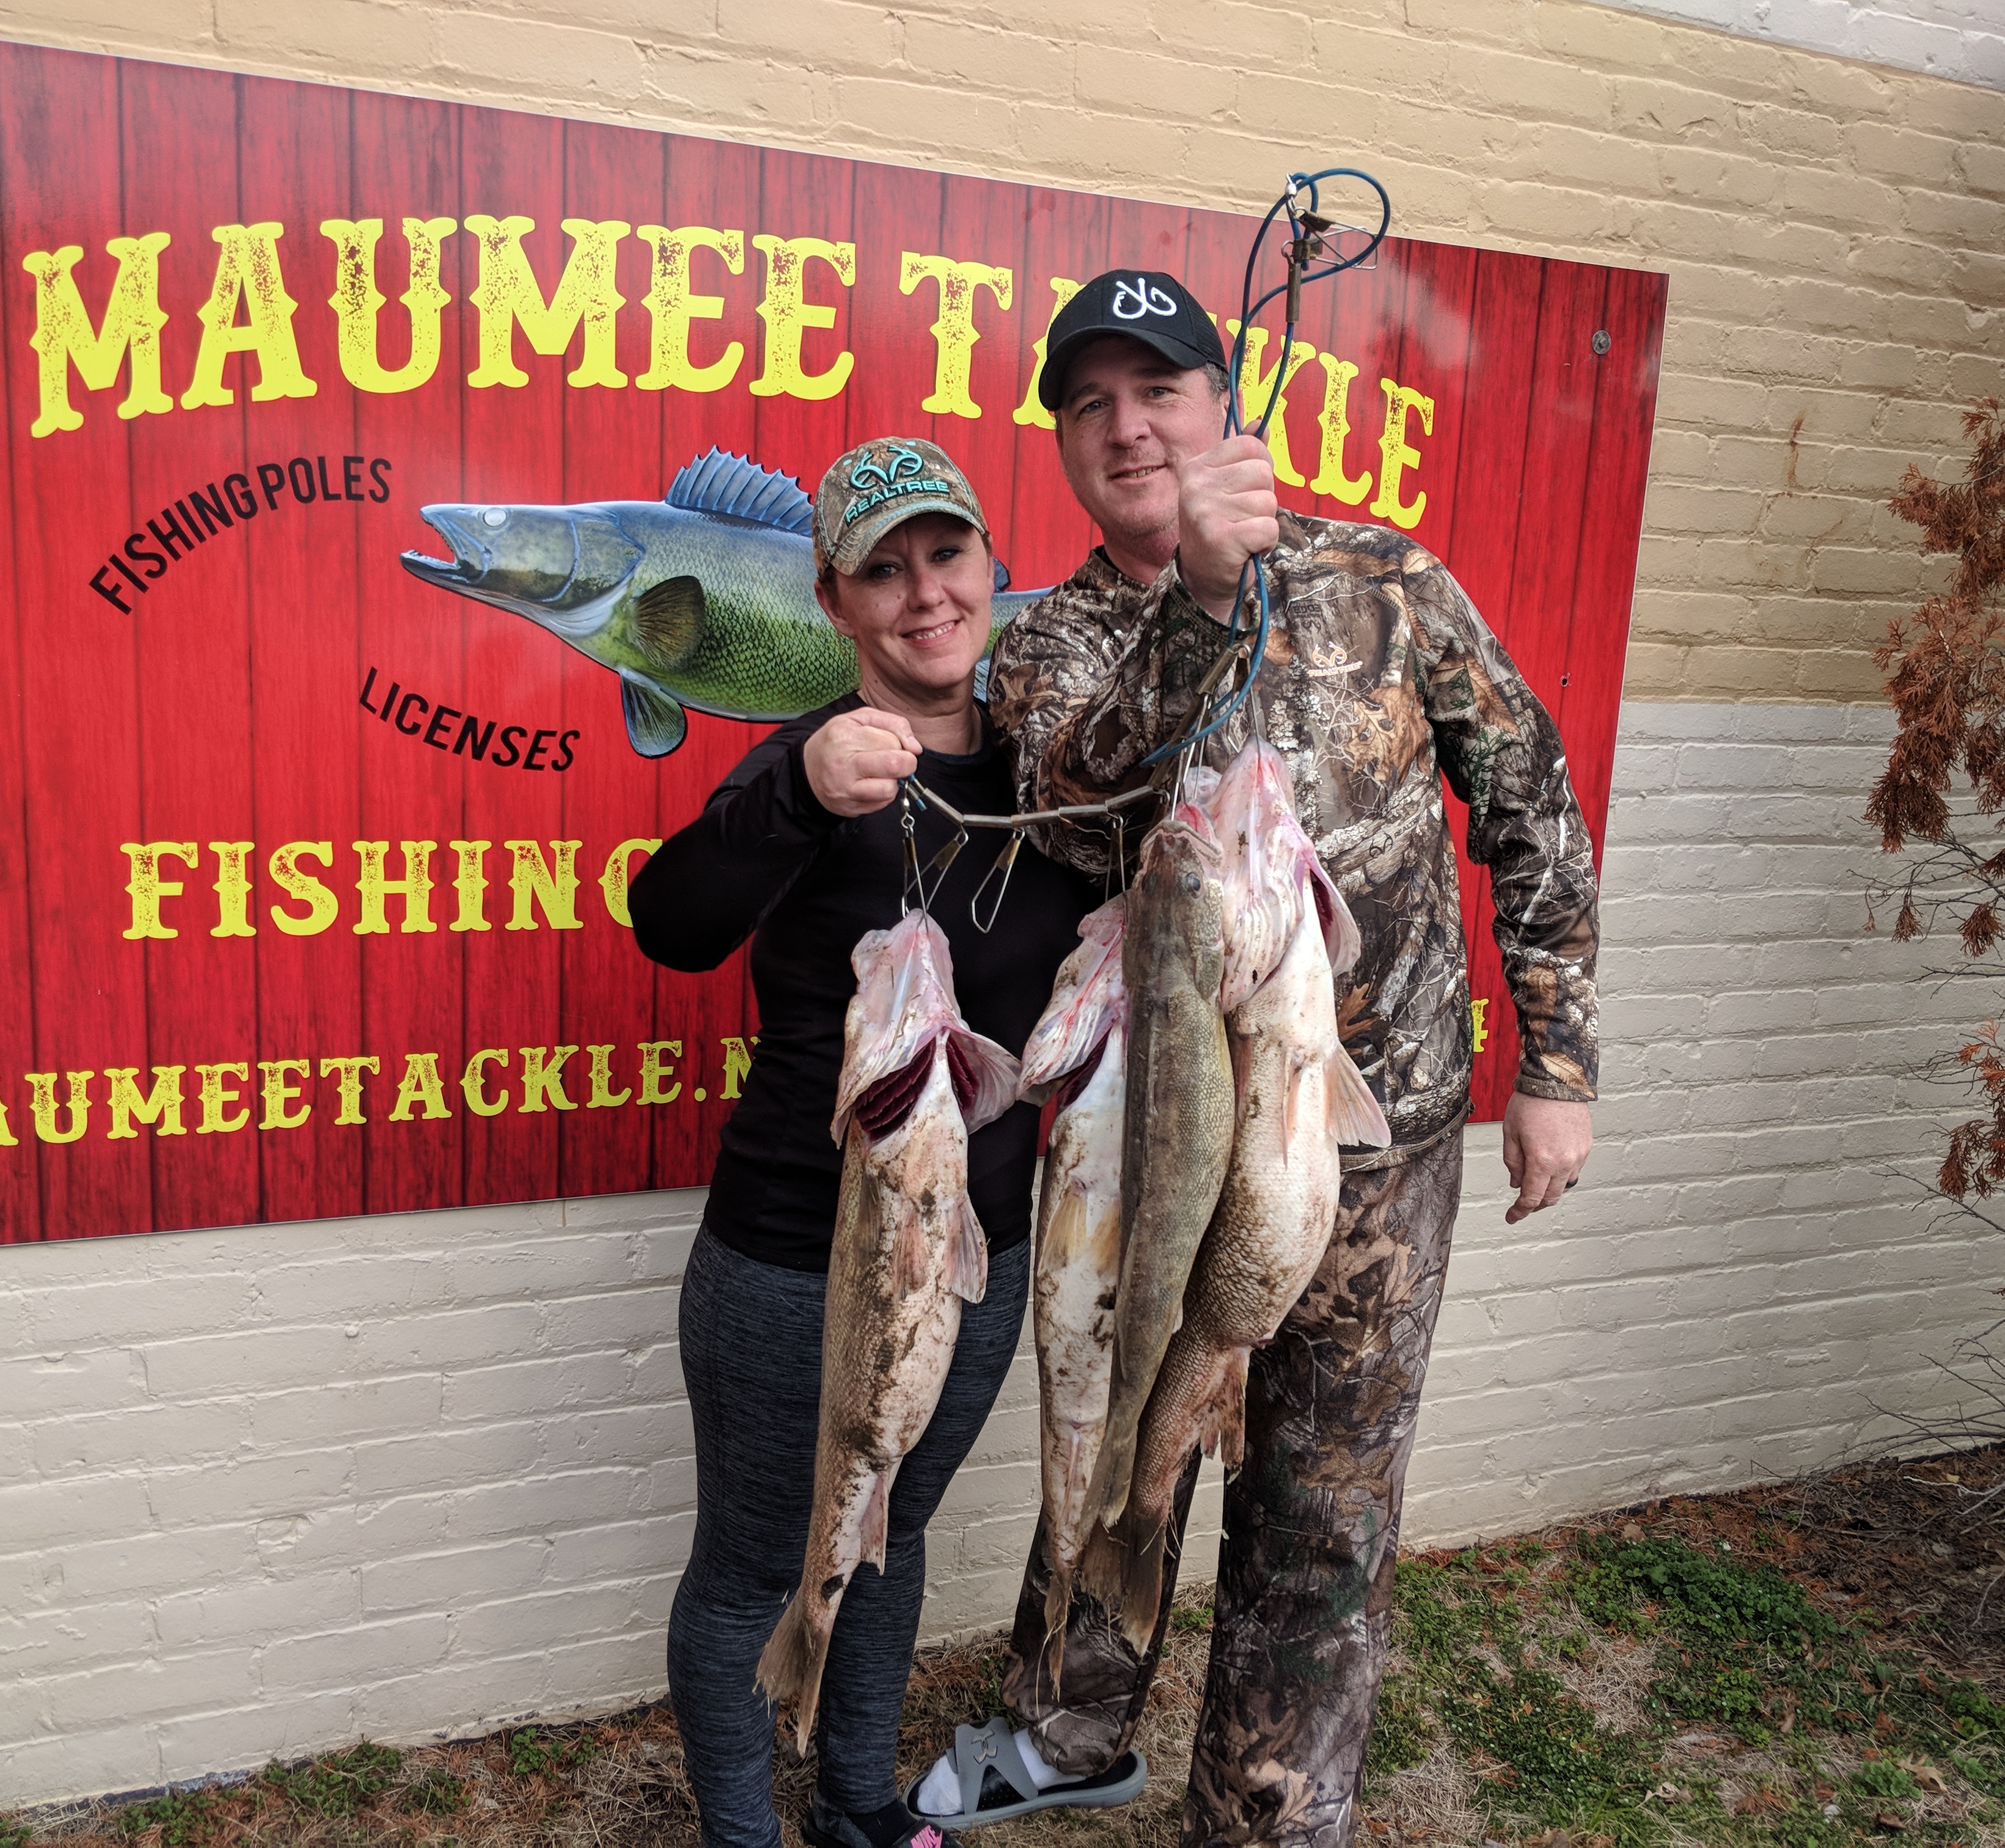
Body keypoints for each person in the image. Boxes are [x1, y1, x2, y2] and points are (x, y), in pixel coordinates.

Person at [909, 272, 1600, 1846]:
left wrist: (1557, 1064)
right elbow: (1074, 803)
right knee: (1115, 1447)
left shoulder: (1385, 580)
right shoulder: (1052, 641)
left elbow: (1532, 804)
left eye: (1157, 390)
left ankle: (1268, 1815)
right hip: (1154, 1146)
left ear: (1223, 405)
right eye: (1088, 405)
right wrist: (1205, 606)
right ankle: (1069, 1730)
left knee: (1320, 1512)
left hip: (1371, 1138)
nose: (1126, 428)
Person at [628, 436, 1104, 1848]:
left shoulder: (1050, 769)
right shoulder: (812, 761)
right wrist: (795, 789)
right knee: (753, 1570)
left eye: (946, 555)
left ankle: (858, 1806)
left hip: (979, 1253)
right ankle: (743, 1835)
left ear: (991, 568)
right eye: (882, 571)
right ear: (834, 602)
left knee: (885, 1536)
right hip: (794, 1260)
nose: (924, 593)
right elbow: (671, 923)